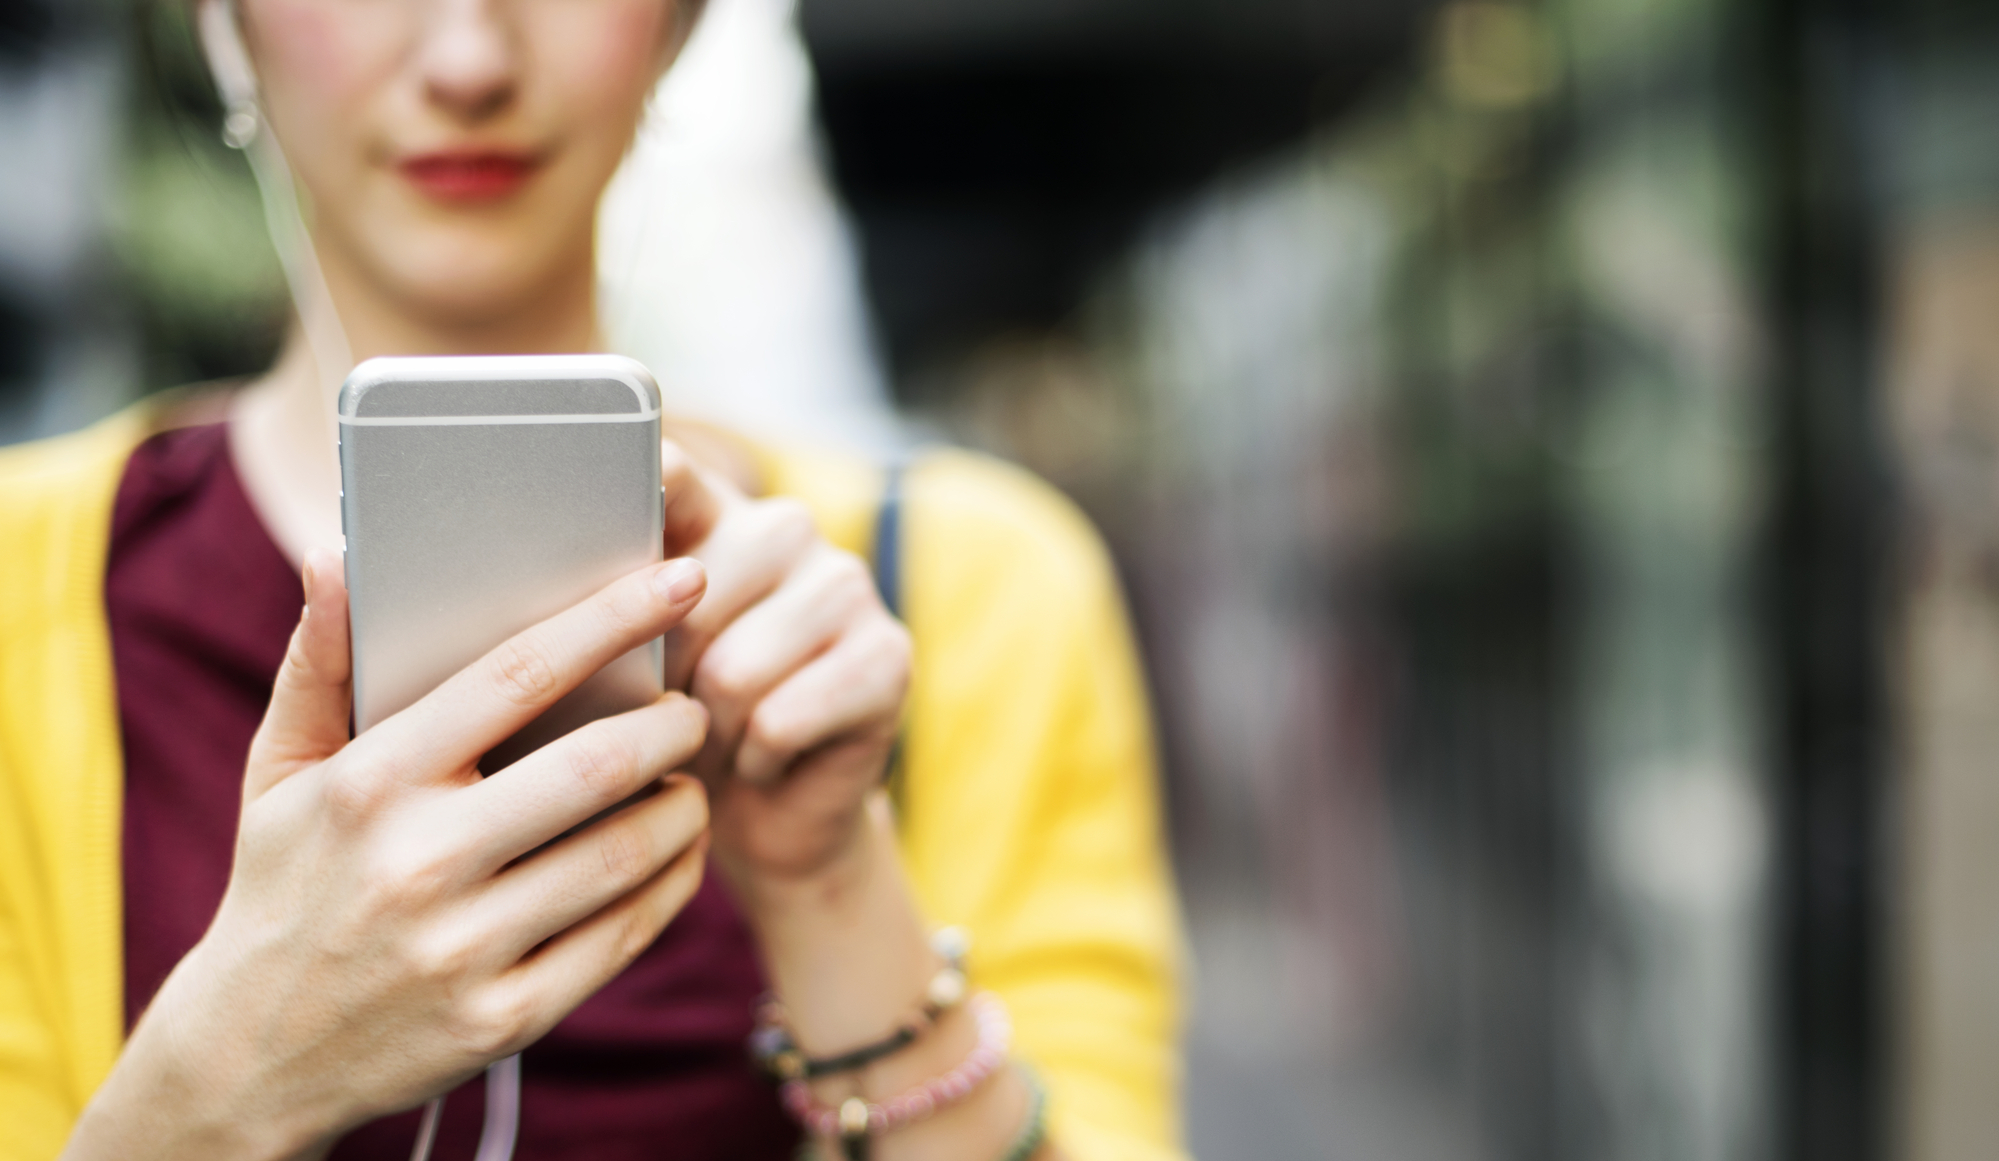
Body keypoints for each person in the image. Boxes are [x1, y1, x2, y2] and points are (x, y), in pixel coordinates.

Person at [0, 0, 1184, 1159]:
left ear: (682, 24)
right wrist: (225, 1085)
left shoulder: (983, 593)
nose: (469, 59)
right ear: (223, 22)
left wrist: (830, 889)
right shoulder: (21, 585)